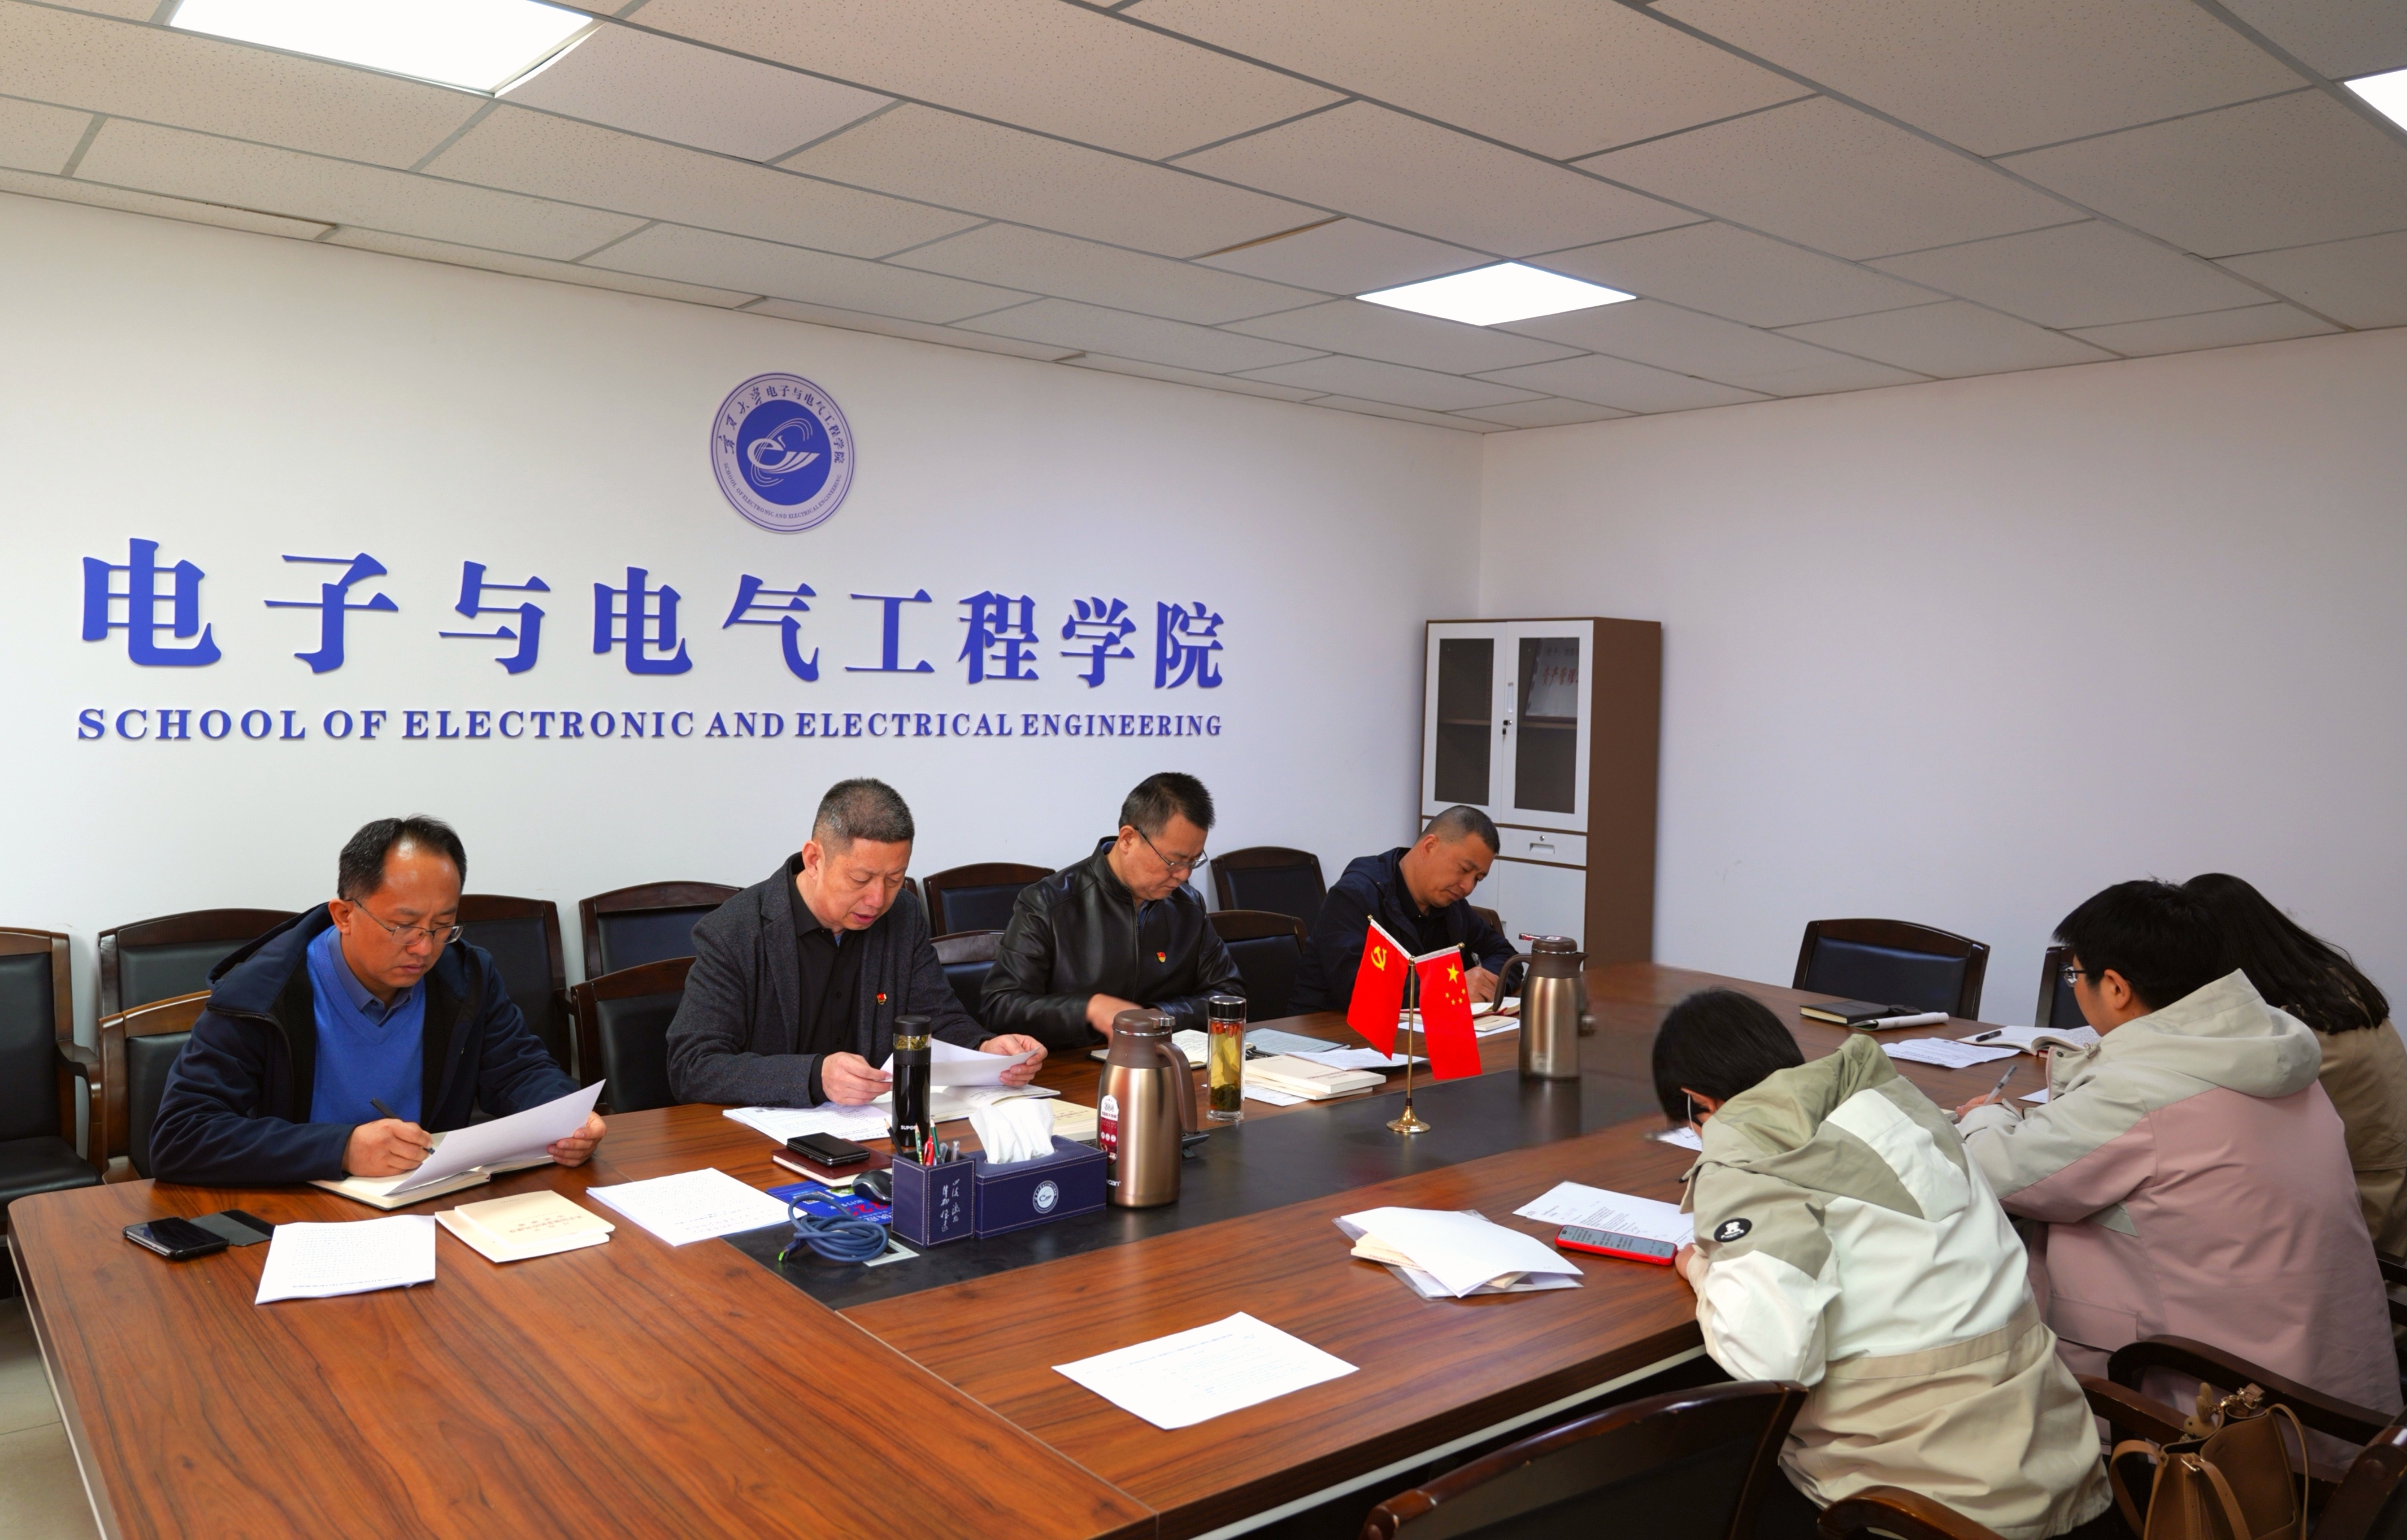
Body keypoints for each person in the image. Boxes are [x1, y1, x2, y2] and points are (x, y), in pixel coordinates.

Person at [1660, 990, 2109, 1540]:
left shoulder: (1747, 1163)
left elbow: (1771, 1363)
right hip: (2056, 1465)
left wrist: (1703, 1271)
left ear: (1696, 1104)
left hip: (1920, 1504)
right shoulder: (1895, 1102)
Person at [1956, 881, 2398, 1424]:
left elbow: (2000, 1175)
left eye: (2074, 975)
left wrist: (1985, 1116)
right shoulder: (2272, 1045)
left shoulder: (2143, 1089)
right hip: (2331, 1378)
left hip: (2221, 1414)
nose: (2074, 988)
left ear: (2115, 987)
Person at [150, 816, 605, 1186]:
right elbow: (181, 1137)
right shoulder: (259, 994)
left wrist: (566, 1116)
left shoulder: (465, 976)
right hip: (293, 1210)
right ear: (345, 915)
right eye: (403, 926)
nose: (424, 948)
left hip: (426, 1198)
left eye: (442, 926)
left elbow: (518, 1071)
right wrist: (341, 1149)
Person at [666, 778, 1046, 1107]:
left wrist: (984, 1050)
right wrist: (815, 1076)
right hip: (759, 1138)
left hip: (872, 1128)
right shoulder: (735, 931)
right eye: (861, 880)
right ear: (814, 859)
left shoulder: (902, 916)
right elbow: (693, 1066)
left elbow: (936, 1018)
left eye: (895, 879)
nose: (878, 900)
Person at [2184, 872, 2407, 1254]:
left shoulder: (2299, 1030)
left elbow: (2230, 1119)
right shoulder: (2329, 985)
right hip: (2381, 1185)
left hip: (2367, 1207)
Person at [981, 772, 1243, 1049]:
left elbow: (1229, 995)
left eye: (1193, 861)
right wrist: (1089, 1008)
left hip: (1165, 1060)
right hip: (1072, 1066)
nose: (1183, 875)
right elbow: (1001, 1007)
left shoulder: (1188, 906)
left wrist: (1158, 1017)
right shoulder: (1048, 903)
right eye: (1174, 861)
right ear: (1128, 839)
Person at [1290, 805, 1515, 1013]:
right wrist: (1450, 986)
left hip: (1414, 1033)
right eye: (1464, 869)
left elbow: (1507, 958)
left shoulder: (1452, 905)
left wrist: (1482, 984)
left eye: (1478, 878)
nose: (1468, 887)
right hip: (1326, 1034)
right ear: (1430, 846)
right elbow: (1359, 989)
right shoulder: (1355, 896)